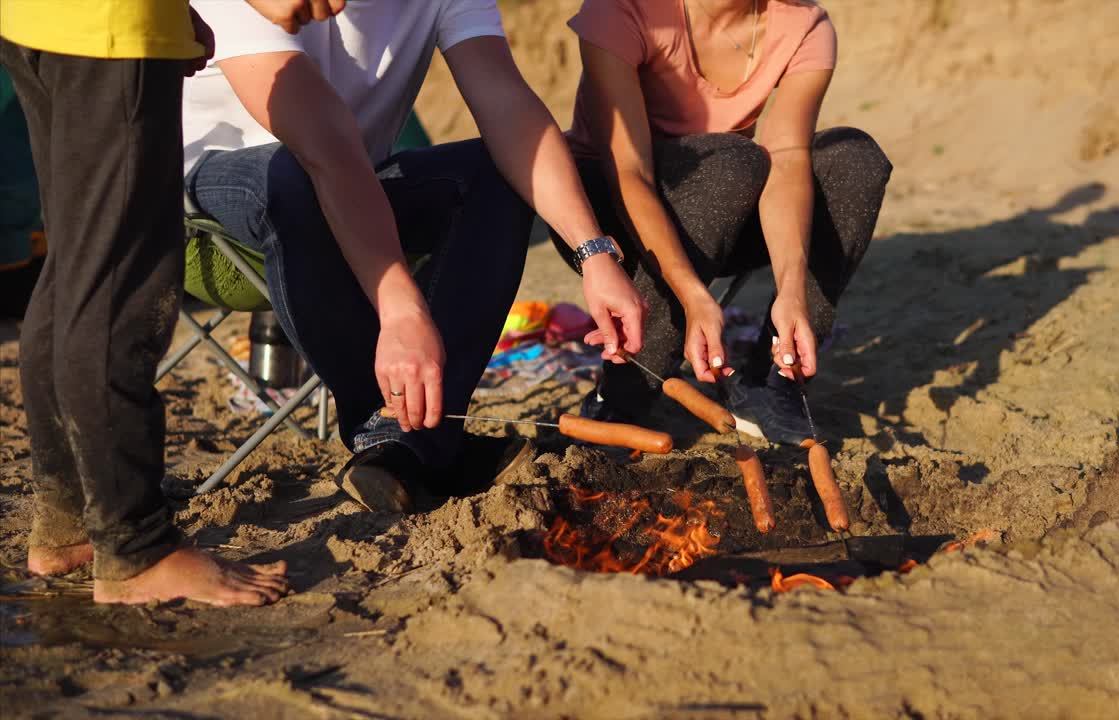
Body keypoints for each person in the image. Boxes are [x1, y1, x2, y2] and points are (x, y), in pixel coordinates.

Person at [182, 1, 646, 512]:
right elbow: (323, 145)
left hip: (351, 184)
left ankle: (411, 441)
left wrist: (594, 252)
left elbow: (507, 105)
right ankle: (397, 434)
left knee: (496, 173)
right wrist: (401, 311)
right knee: (292, 175)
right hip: (200, 217)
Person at [0, 0, 345, 606]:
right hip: (112, 25)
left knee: (78, 268)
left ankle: (72, 522)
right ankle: (136, 551)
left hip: (42, 18)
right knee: (118, 286)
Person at [556, 0, 892, 445]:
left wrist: (792, 292)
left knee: (854, 159)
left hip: (721, 206)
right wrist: (694, 297)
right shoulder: (624, 7)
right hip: (605, 224)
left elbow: (787, 160)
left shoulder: (805, 24)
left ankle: (773, 378)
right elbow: (629, 173)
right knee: (734, 163)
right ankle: (625, 394)